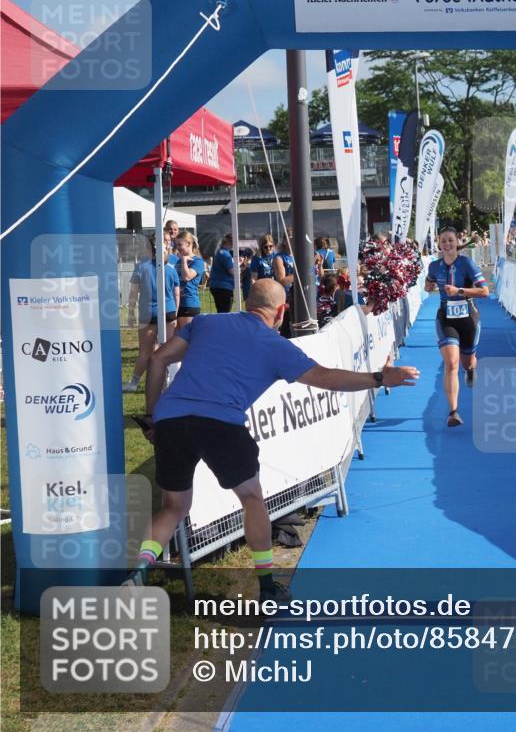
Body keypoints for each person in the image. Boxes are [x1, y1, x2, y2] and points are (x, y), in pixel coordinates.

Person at [126, 279, 419, 599]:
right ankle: (267, 586)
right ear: (281, 312)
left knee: (174, 506)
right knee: (252, 499)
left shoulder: (206, 322)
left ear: (247, 302)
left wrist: (155, 416)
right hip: (221, 424)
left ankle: (138, 572)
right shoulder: (275, 345)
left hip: (172, 419)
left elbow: (157, 360)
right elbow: (326, 378)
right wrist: (377, 377)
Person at [424, 227, 489, 427]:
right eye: (443, 241)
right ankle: (453, 412)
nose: (447, 244)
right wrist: (429, 286)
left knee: (467, 362)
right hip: (446, 317)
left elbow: (485, 291)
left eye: (450, 240)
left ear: (456, 242)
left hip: (468, 317)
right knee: (452, 363)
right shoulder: (435, 266)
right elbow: (429, 284)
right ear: (439, 244)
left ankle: (470, 370)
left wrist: (459, 290)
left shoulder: (466, 263)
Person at [124, 238, 180, 392]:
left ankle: (134, 382)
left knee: (144, 351)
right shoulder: (171, 269)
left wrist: (130, 313)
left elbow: (133, 293)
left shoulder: (140, 267)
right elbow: (176, 295)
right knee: (167, 349)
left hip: (147, 314)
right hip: (168, 313)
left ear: (149, 250)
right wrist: (175, 313)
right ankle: (168, 381)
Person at [173, 231, 206, 328]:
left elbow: (186, 277)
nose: (178, 247)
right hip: (176, 303)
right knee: (176, 338)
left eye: (180, 244)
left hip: (189, 303)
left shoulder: (198, 261)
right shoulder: (178, 261)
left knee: (186, 337)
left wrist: (184, 261)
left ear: (189, 244)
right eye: (176, 245)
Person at [209, 233, 237, 313]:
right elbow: (232, 272)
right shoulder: (225, 254)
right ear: (231, 242)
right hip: (224, 287)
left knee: (220, 311)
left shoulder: (219, 252)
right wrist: (240, 269)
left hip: (216, 285)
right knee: (225, 313)